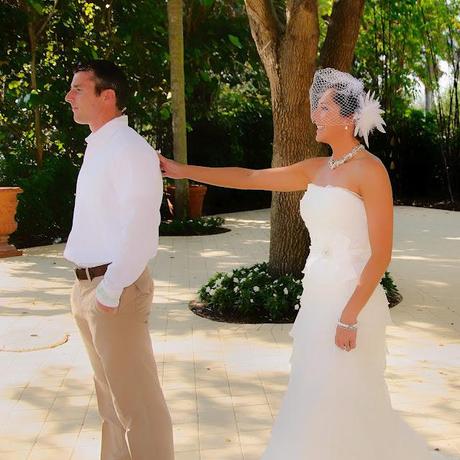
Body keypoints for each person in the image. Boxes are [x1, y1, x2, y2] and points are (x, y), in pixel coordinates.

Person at [160, 68, 446, 459]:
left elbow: (381, 254)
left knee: (352, 401)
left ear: (348, 118)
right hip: (317, 299)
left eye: (323, 107)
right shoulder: (315, 168)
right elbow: (250, 177)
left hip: (353, 304)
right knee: (313, 395)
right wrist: (181, 170)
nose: (314, 114)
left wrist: (349, 315)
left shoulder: (371, 170)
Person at [64, 60, 174, 460]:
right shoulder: (100, 146)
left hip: (115, 288)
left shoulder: (129, 150)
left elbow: (142, 226)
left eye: (78, 89)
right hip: (90, 287)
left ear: (106, 96)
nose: (69, 96)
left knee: (138, 407)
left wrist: (110, 290)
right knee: (111, 407)